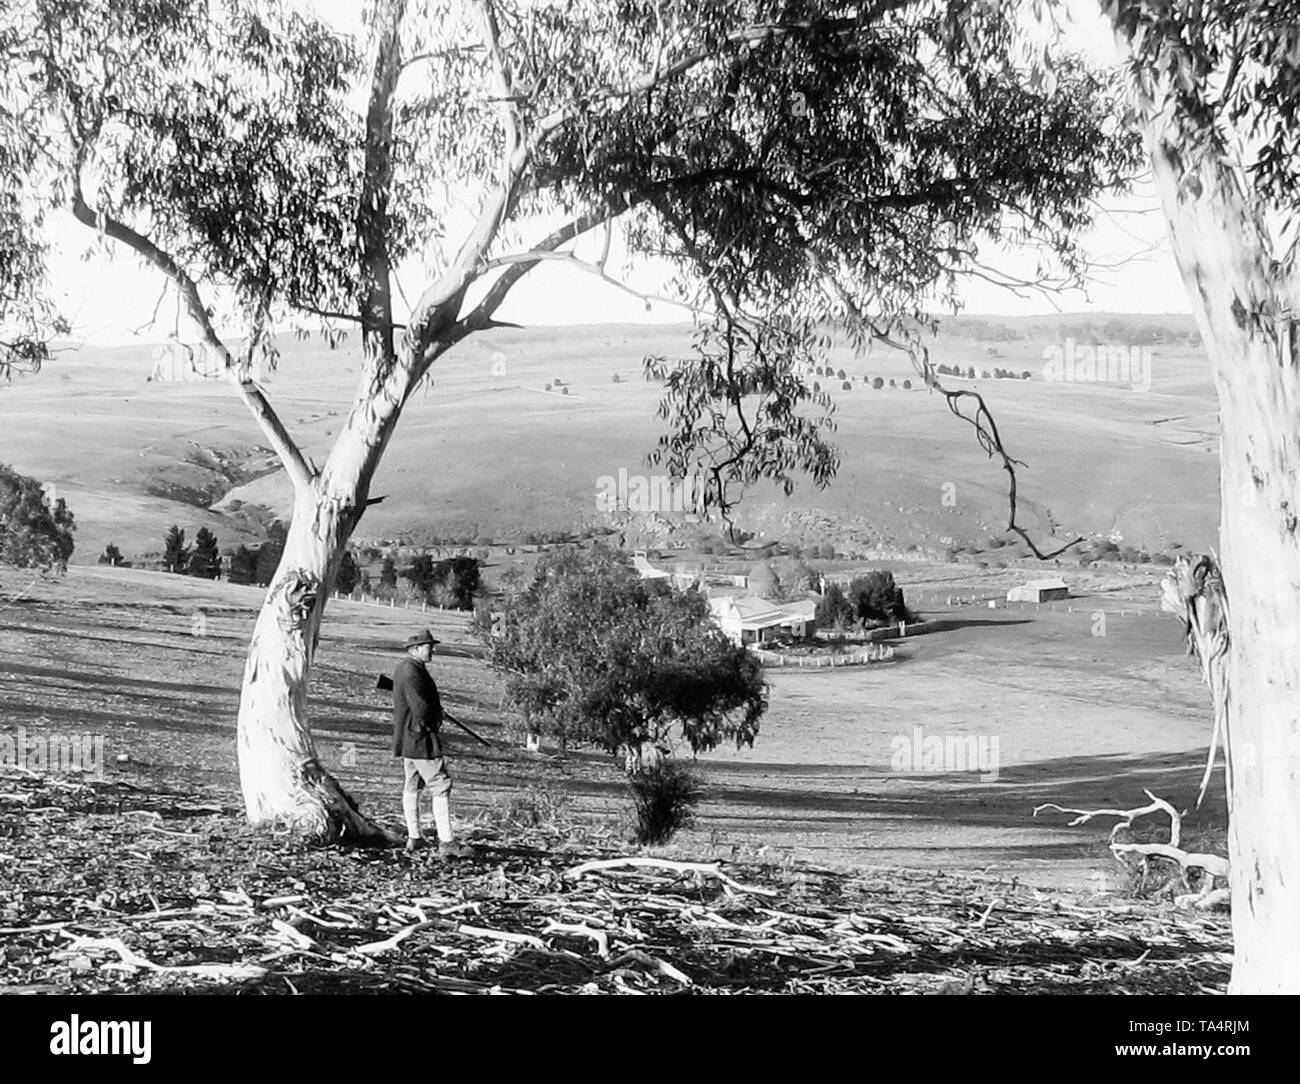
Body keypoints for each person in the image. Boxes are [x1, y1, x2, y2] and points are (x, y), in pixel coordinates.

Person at [391, 629, 472, 857]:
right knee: (441, 784)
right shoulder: (412, 671)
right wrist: (433, 721)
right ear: (415, 649)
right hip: (420, 737)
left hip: (409, 737)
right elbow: (421, 708)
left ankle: (414, 838)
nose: (432, 650)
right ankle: (447, 842)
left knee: (413, 785)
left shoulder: (407, 668)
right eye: (428, 646)